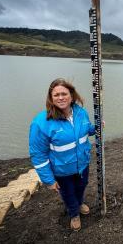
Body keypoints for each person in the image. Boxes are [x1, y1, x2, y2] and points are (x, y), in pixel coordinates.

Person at [29, 78, 95, 231]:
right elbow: (38, 155)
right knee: (68, 193)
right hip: (62, 171)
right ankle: (74, 214)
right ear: (51, 98)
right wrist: (49, 180)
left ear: (71, 95)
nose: (61, 98)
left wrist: (95, 128)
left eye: (64, 94)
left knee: (81, 187)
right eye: (56, 95)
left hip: (82, 165)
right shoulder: (41, 123)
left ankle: (79, 204)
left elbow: (85, 130)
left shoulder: (81, 113)